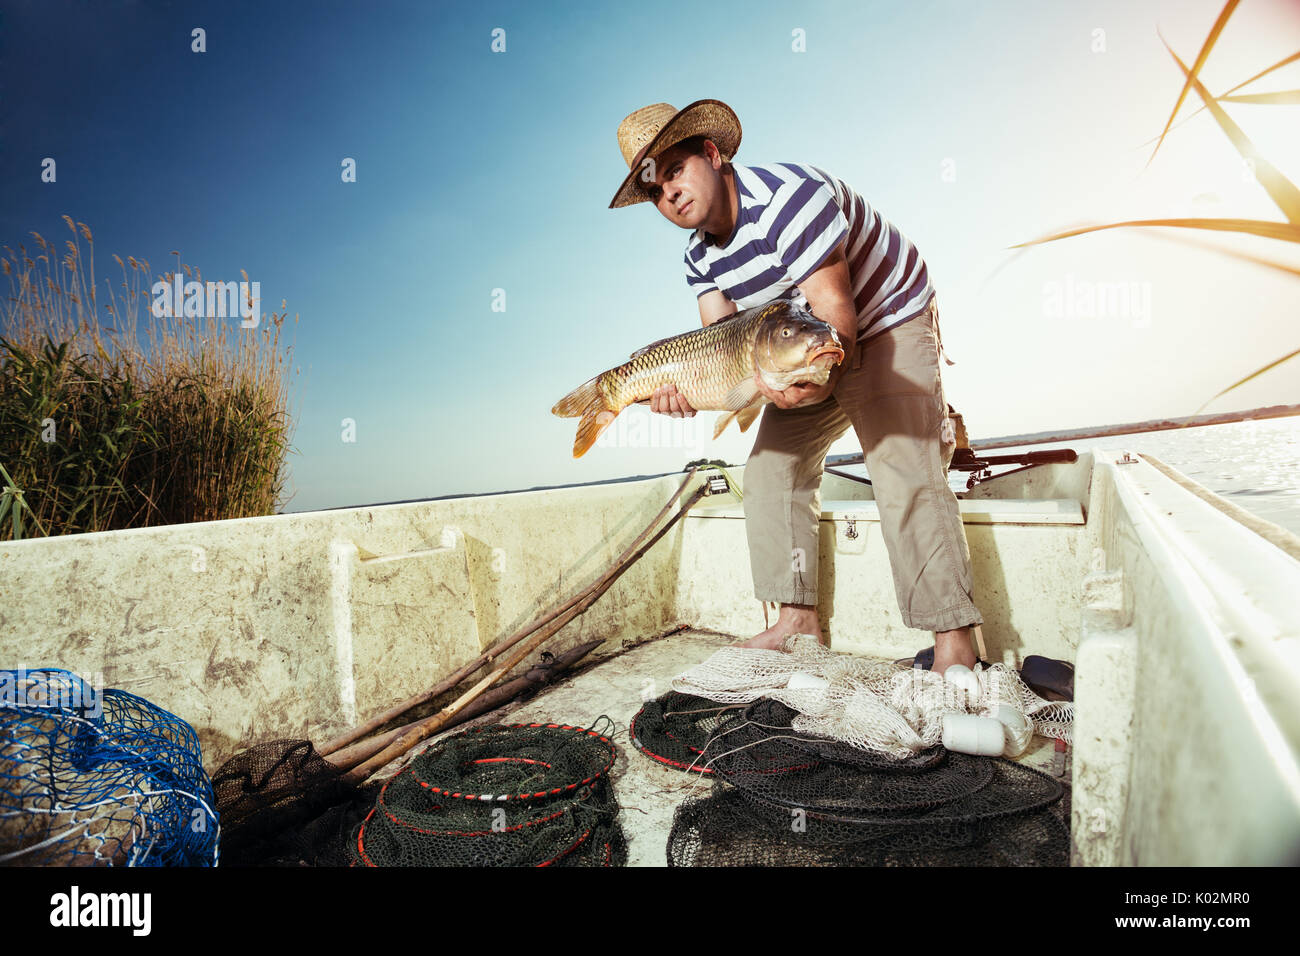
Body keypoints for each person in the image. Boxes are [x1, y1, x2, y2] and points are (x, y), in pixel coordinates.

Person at [608, 99, 982, 674]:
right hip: (796, 341)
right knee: (770, 471)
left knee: (901, 462)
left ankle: (957, 647)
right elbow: (726, 347)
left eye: (675, 170)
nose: (670, 194)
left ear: (712, 153)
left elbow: (839, 319)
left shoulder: (790, 200)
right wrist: (691, 391)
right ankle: (797, 625)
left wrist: (802, 382)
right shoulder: (698, 258)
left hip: (882, 318)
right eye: (655, 190)